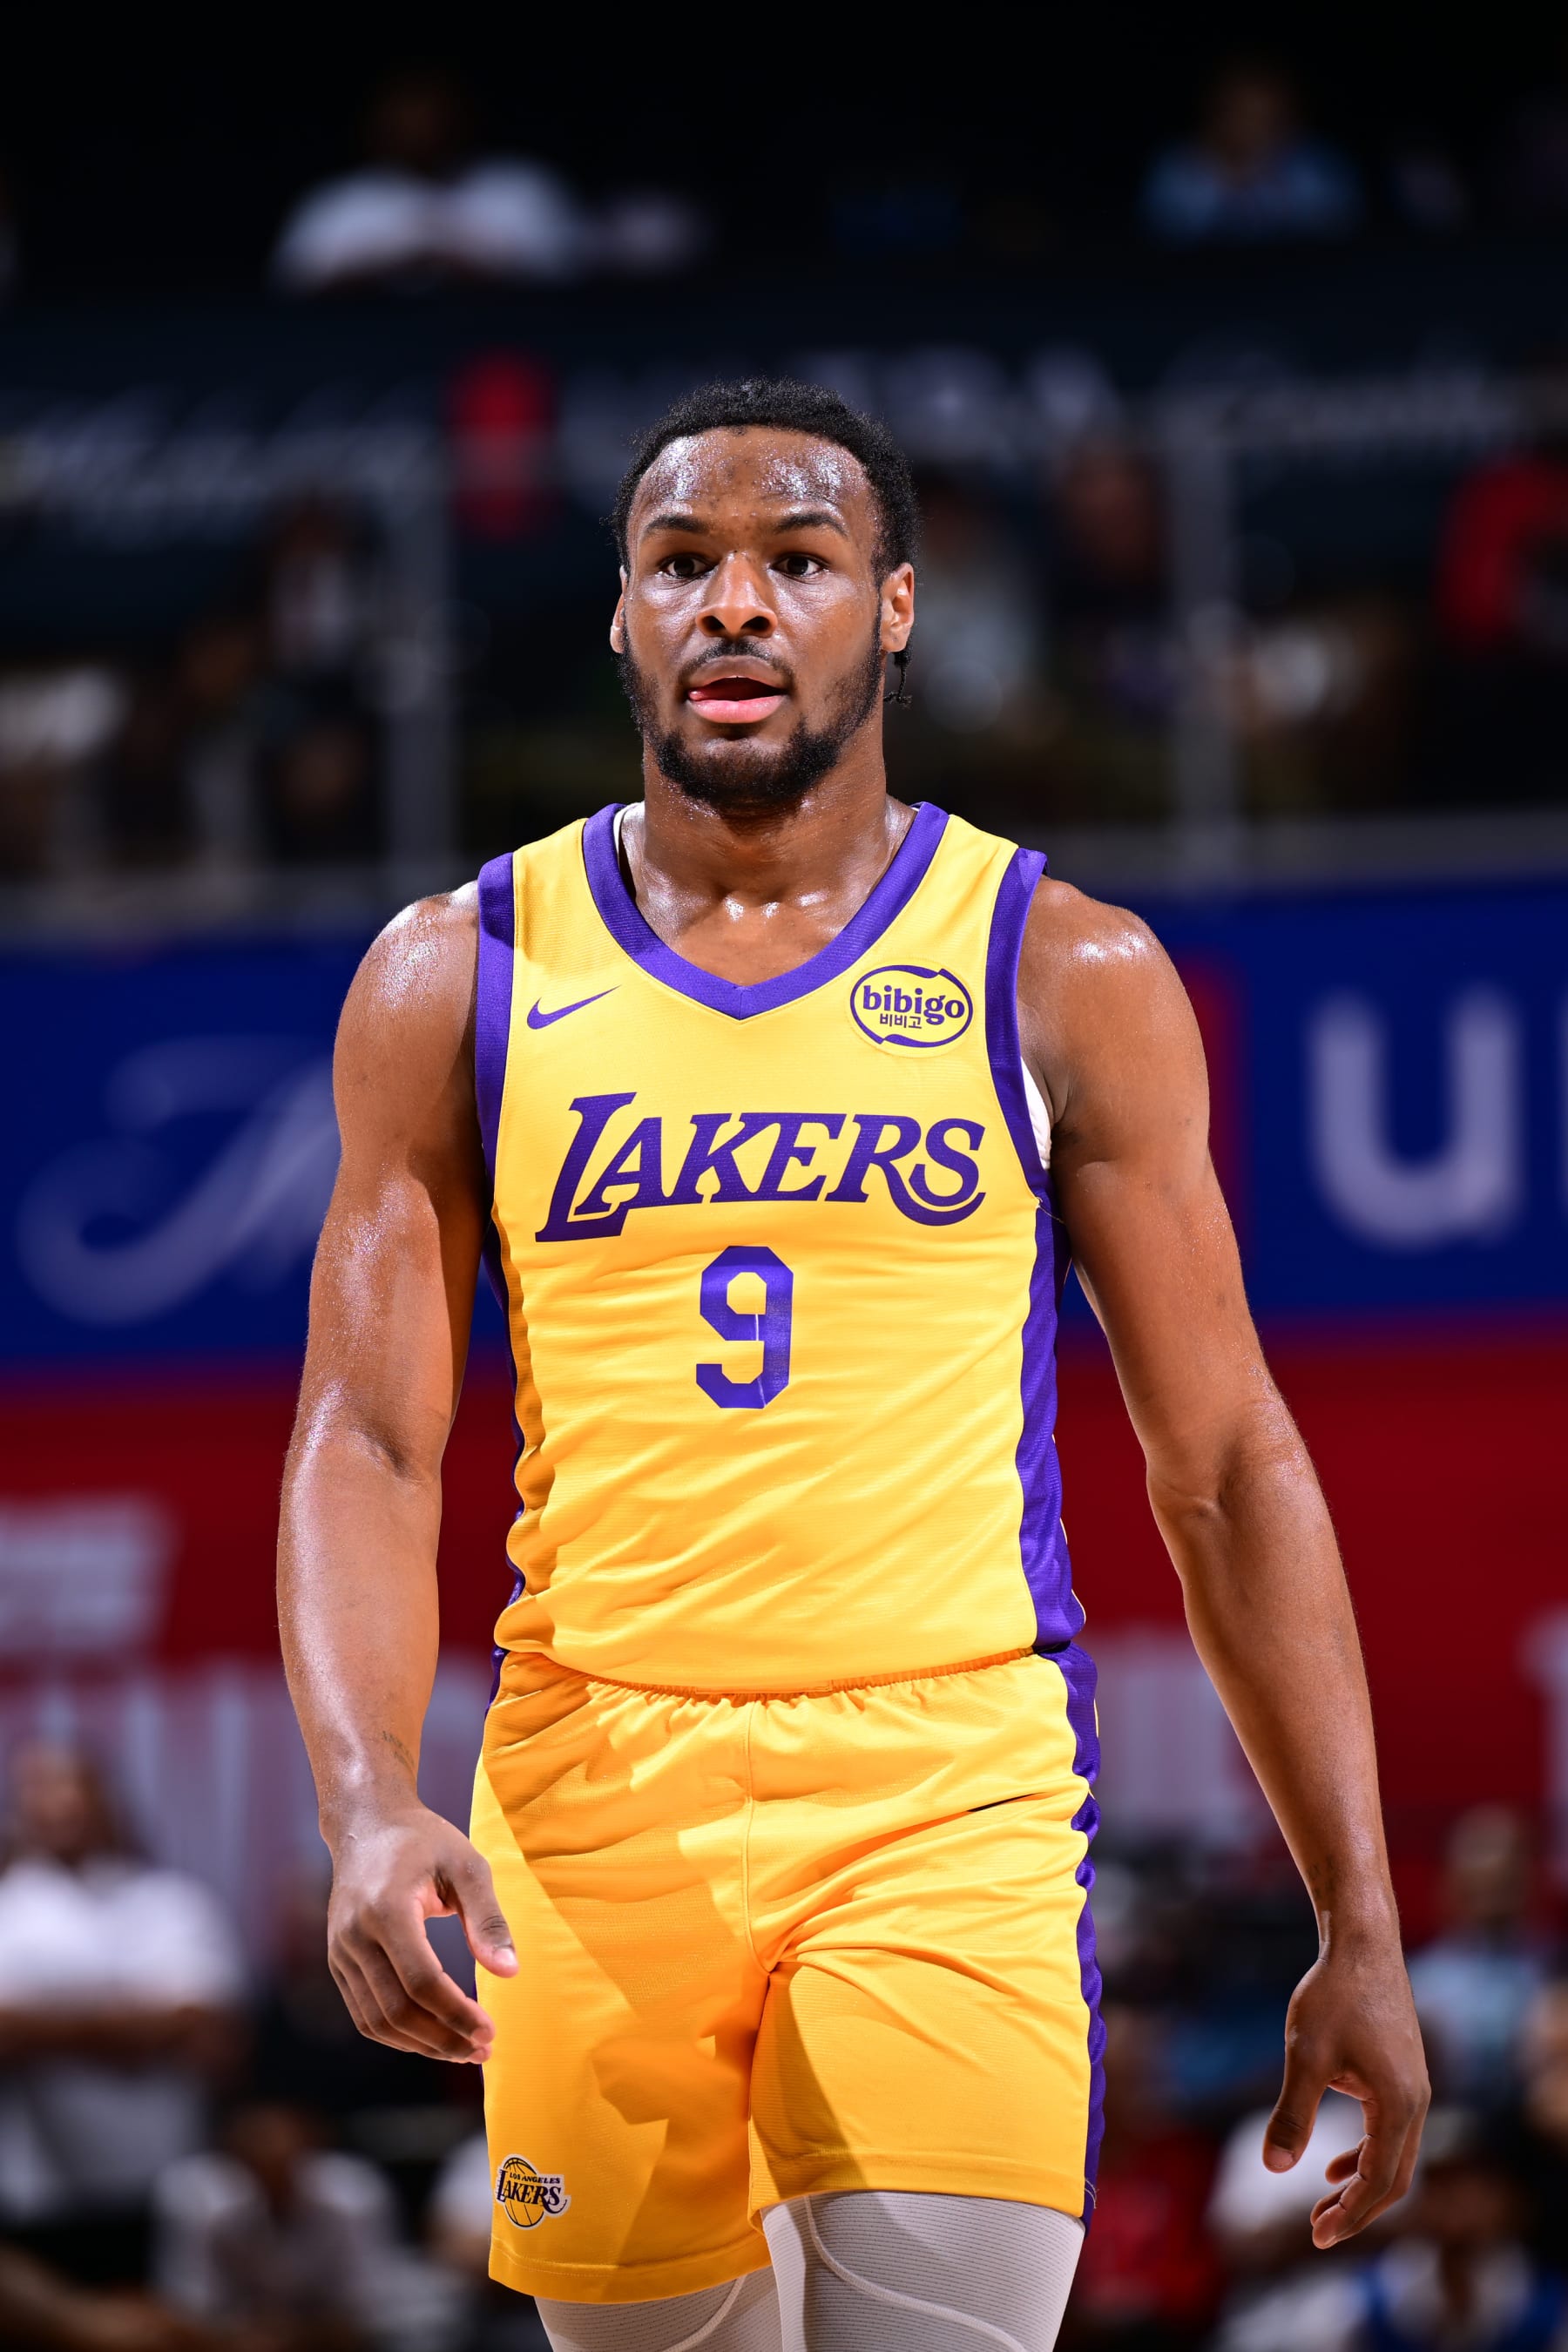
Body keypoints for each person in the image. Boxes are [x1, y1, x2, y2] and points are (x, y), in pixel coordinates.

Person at [278, 376, 1429, 2351]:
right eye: (682, 565)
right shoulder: (454, 973)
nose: (736, 604)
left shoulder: (1059, 966)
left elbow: (1228, 1456)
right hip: (593, 1779)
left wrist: (1363, 1911)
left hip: (943, 1778)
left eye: (797, 561)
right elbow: (370, 1440)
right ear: (622, 620)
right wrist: (369, 1802)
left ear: (892, 608)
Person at [0, 1742, 247, 2284]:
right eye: (42, 1792)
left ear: (106, 1800)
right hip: (40, 2189)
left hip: (168, 2180)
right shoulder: (9, 1907)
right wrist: (135, 2032)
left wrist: (50, 2031)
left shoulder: (171, 1904)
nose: (62, 1808)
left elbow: (210, 2031)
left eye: (74, 1790)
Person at [272, 68, 585, 295]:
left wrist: (467, 267)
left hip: (503, 351)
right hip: (365, 354)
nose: (423, 136)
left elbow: (573, 275)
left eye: (434, 123)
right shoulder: (339, 202)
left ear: (462, 123)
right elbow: (291, 284)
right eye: (407, 126)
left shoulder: (522, 188)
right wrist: (388, 269)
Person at [1405, 1808, 1545, 2107]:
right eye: (1481, 1885)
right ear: (1452, 1884)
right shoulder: (1419, 1984)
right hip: (1446, 2127)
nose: (1494, 1899)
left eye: (1506, 1883)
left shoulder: (1554, 1967)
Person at [1142, 59, 1362, 244]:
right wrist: (1227, 181)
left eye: (1269, 118)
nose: (1255, 128)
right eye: (1243, 114)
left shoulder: (1316, 167)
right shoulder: (1178, 167)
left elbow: (1337, 231)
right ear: (1216, 114)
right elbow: (1165, 232)